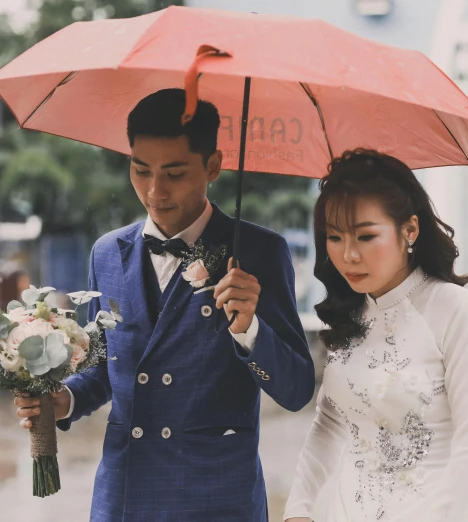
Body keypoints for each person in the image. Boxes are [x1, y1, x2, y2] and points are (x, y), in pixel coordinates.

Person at [14, 88, 315, 521]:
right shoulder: (105, 253)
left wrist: (250, 330)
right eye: (141, 170)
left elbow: (297, 389)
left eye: (174, 173)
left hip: (217, 497)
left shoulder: (259, 253)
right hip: (125, 495)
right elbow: (103, 367)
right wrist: (64, 400)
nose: (155, 190)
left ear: (213, 165)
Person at [284, 149, 468, 522]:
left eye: (365, 236)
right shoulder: (348, 313)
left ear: (409, 229)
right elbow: (329, 424)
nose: (347, 255)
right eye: (334, 237)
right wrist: (297, 510)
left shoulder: (454, 309)